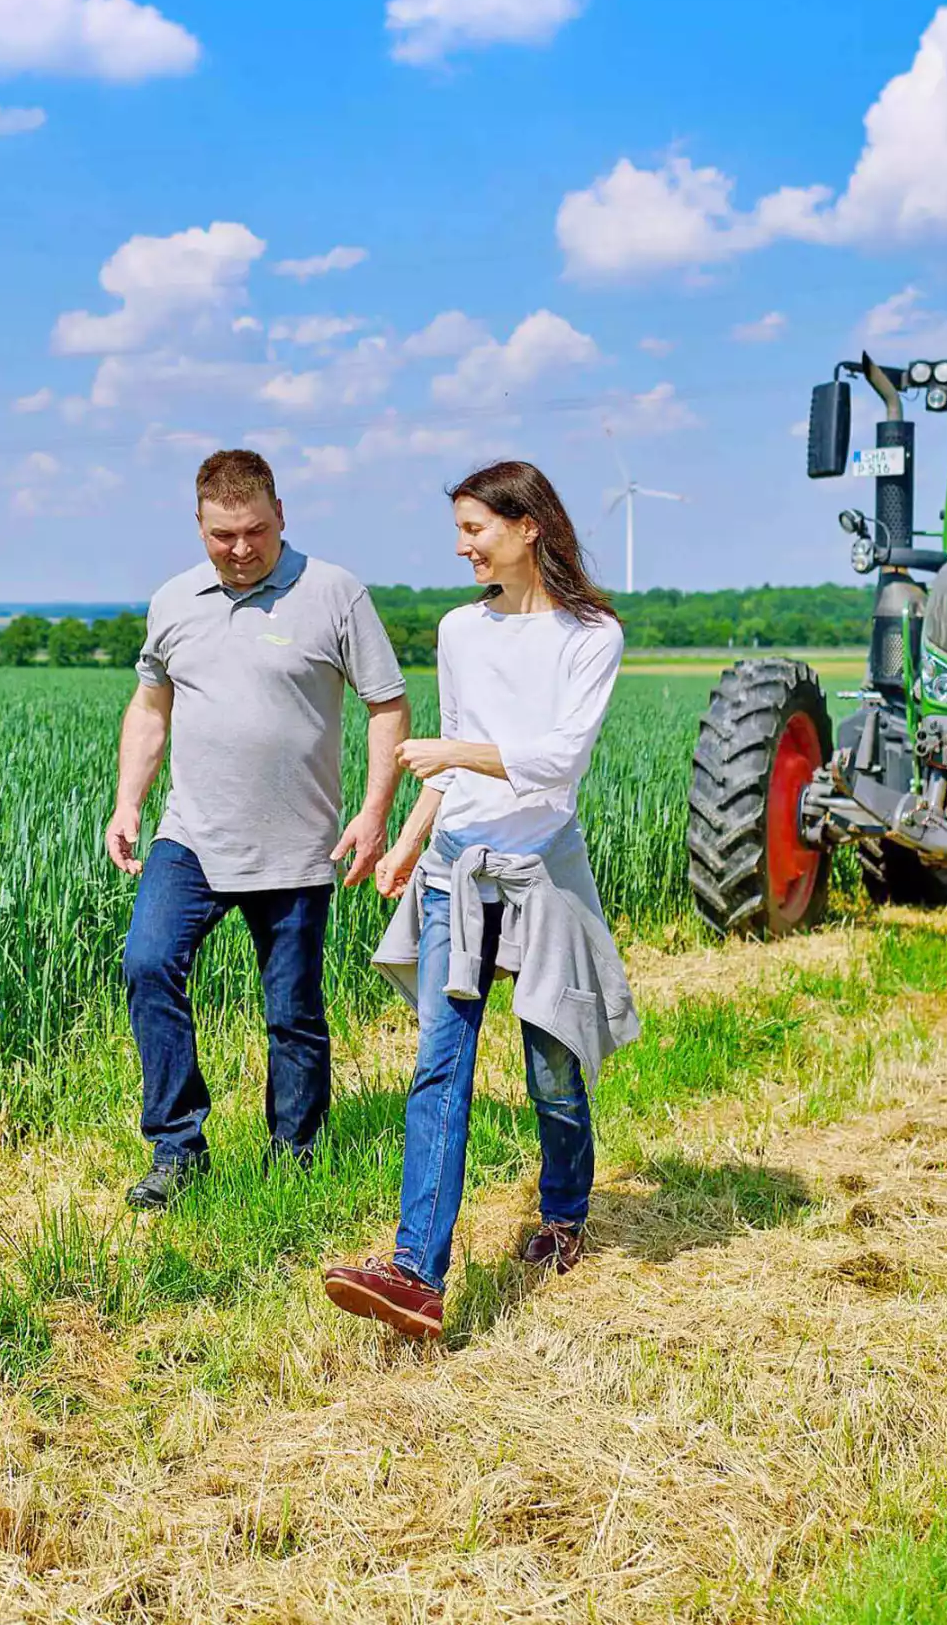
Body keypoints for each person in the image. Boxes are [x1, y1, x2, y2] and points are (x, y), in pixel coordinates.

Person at [321, 460, 635, 1340]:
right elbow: (450, 750)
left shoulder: (591, 636)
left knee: (554, 1070)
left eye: (474, 529)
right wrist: (412, 838)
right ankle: (417, 1270)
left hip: (541, 874)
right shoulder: (459, 630)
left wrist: (454, 758)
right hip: (454, 874)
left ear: (527, 526)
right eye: (459, 530)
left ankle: (564, 1212)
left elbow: (557, 759)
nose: (461, 547)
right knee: (439, 1066)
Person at [106, 449, 412, 1209]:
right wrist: (127, 803)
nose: (240, 550)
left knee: (294, 1013)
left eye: (255, 532)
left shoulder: (336, 594)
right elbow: (150, 707)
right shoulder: (173, 601)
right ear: (199, 525)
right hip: (193, 840)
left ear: (282, 516)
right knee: (147, 966)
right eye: (222, 535)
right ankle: (178, 1149)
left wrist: (374, 813)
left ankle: (296, 1158)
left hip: (300, 846)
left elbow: (388, 706)